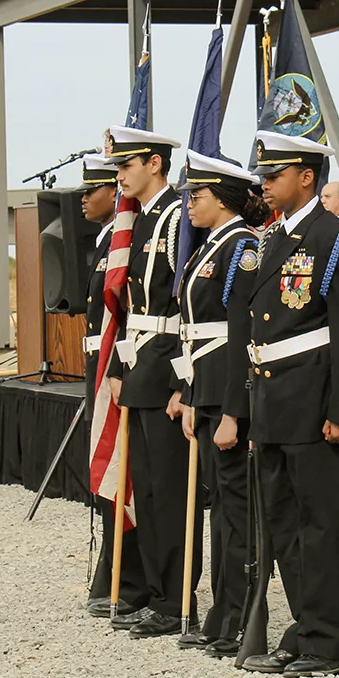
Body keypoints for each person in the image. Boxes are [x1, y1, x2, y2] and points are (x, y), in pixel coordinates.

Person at [241, 131, 339, 678]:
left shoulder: (335, 241)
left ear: (305, 176)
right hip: (276, 403)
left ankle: (327, 642)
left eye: (274, 175)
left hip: (318, 404)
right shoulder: (273, 240)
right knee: (284, 526)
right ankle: (304, 627)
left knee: (321, 527)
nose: (265, 184)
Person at [104, 126, 198, 640]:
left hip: (167, 364)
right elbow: (132, 304)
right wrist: (120, 367)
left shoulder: (179, 216)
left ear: (155, 164)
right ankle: (159, 594)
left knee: (170, 491)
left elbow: (188, 303)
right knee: (150, 490)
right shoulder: (142, 220)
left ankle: (178, 597)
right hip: (141, 362)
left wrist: (186, 379)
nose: (119, 175)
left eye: (127, 165)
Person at [172, 151, 266, 658]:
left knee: (236, 512)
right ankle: (221, 612)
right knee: (219, 510)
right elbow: (193, 334)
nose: (189, 204)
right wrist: (189, 396)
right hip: (204, 390)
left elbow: (239, 335)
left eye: (199, 196)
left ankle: (241, 614)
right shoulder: (210, 247)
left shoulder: (240, 249)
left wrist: (233, 410)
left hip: (228, 393)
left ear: (224, 200)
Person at [76, 152, 150, 621]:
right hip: (98, 368)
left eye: (93, 189)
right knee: (110, 474)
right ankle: (111, 572)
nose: (84, 199)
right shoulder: (109, 239)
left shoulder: (128, 236)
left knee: (127, 476)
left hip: (120, 368)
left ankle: (127, 578)